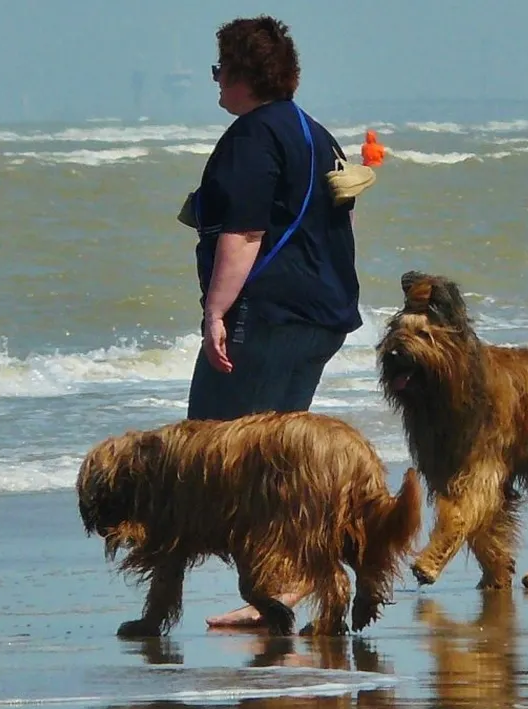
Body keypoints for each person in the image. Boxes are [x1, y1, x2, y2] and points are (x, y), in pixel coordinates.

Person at [184, 16, 365, 627]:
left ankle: (277, 586)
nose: (215, 82)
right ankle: (289, 580)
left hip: (268, 316)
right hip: (324, 315)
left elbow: (244, 230)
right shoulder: (317, 135)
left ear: (243, 74)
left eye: (219, 70)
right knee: (278, 453)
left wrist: (215, 310)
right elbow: (342, 221)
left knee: (217, 451)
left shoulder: (252, 137)